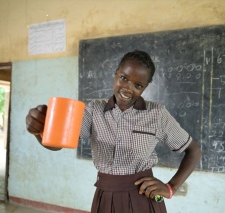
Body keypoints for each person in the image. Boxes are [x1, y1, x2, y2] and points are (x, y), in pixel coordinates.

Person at [25, 50, 201, 213]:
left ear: (146, 87)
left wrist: (171, 188)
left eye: (138, 85)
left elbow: (193, 150)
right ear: (116, 73)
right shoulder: (94, 111)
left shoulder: (157, 114)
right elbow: (57, 144)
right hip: (105, 197)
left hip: (142, 199)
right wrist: (39, 131)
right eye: (124, 78)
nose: (127, 88)